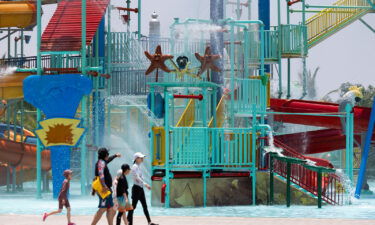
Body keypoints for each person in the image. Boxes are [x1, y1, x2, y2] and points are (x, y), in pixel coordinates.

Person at [91, 148, 121, 225]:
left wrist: (115, 156)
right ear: (105, 155)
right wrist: (104, 186)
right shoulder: (101, 163)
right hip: (104, 189)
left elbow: (108, 160)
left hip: (106, 189)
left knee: (110, 208)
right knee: (103, 209)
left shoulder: (102, 162)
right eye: (107, 154)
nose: (108, 156)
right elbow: (101, 175)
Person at [127, 152, 158, 225]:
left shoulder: (138, 166)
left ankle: (149, 222)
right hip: (136, 188)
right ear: (136, 159)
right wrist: (145, 184)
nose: (142, 159)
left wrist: (143, 184)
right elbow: (136, 177)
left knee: (145, 206)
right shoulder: (134, 166)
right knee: (133, 207)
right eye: (141, 158)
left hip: (140, 188)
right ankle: (129, 222)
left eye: (142, 157)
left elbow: (139, 177)